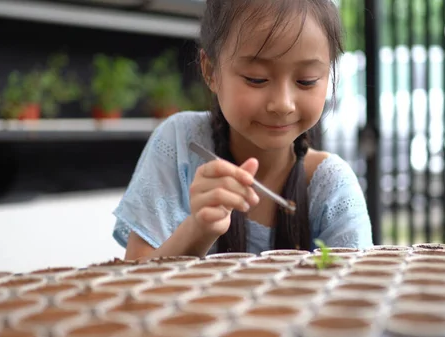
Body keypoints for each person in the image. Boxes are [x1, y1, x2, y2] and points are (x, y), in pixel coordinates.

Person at [113, 0, 373, 260]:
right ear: (210, 70)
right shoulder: (180, 143)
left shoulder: (332, 188)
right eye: (256, 78)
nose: (283, 104)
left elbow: (355, 289)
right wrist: (198, 229)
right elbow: (136, 275)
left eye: (306, 81)